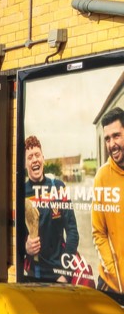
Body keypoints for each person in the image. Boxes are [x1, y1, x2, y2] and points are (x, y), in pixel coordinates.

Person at [19, 135, 79, 282]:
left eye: (37, 155)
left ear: (43, 159)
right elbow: (15, 236)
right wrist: (25, 247)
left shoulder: (58, 188)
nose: (34, 160)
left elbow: (72, 231)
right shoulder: (21, 194)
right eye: (30, 157)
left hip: (60, 272)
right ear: (25, 164)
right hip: (34, 273)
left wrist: (66, 272)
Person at [92, 107, 124, 299]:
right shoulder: (102, 177)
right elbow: (98, 233)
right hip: (110, 285)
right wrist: (115, 275)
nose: (112, 144)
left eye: (117, 136)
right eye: (107, 138)